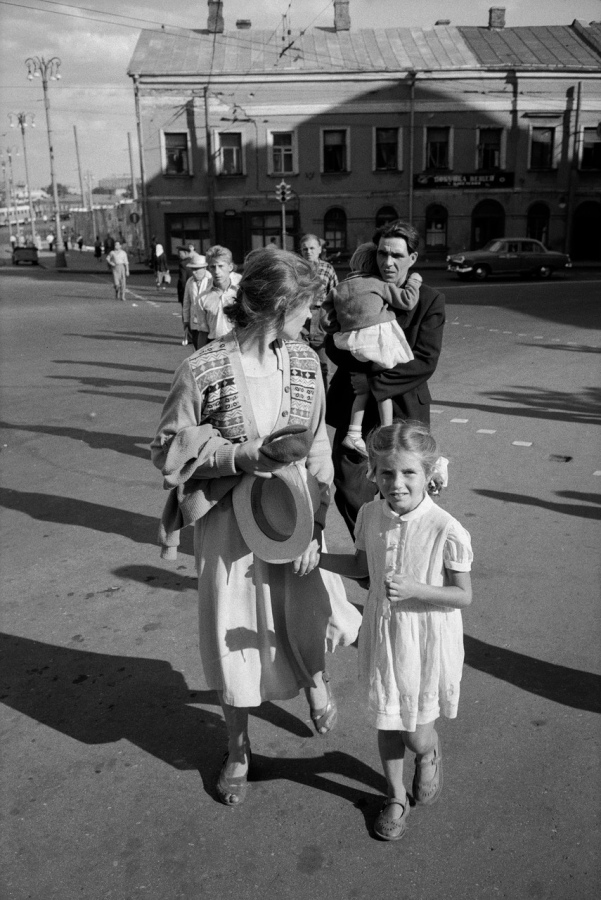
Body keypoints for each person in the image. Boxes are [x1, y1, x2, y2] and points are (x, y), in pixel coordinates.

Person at [151, 248, 360, 806]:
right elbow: (167, 448)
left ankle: (315, 682)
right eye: (306, 308)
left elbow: (318, 439)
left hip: (291, 514)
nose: (312, 320)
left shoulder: (302, 359)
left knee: (305, 610)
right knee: (233, 635)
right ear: (277, 306)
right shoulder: (201, 368)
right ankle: (238, 747)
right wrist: (240, 456)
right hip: (229, 527)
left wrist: (317, 516)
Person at [319, 420, 473, 841]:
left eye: (408, 473)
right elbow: (361, 569)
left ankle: (429, 752)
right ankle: (395, 796)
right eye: (386, 472)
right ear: (373, 473)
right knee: (387, 722)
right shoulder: (370, 514)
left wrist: (417, 588)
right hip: (384, 635)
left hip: (424, 641)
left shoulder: (446, 528)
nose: (397, 483)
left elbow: (463, 596)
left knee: (416, 733)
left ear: (428, 474)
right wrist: (316, 560)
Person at [326, 219, 445, 535]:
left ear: (412, 258)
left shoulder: (430, 300)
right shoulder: (361, 286)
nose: (387, 262)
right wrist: (363, 371)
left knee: (402, 490)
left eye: (396, 255)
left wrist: (374, 382)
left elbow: (424, 360)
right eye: (382, 254)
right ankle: (368, 552)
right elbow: (332, 340)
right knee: (349, 486)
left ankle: (400, 554)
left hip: (404, 410)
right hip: (357, 409)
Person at [321, 241, 422, 456]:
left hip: (349, 344)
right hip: (376, 340)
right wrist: (414, 281)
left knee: (362, 390)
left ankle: (354, 434)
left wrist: (345, 323)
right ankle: (386, 433)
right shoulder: (376, 283)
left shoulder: (339, 288)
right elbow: (407, 301)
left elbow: (326, 321)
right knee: (382, 390)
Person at [299, 233, 338, 387]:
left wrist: (331, 320)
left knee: (323, 366)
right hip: (301, 318)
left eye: (312, 248)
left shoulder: (327, 269)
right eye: (305, 249)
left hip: (320, 317)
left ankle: (325, 405)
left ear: (320, 249)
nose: (308, 251)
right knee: (302, 363)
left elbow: (335, 295)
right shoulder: (297, 269)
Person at [189, 244, 242, 349]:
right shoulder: (202, 298)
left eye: (221, 266)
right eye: (213, 267)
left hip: (239, 344)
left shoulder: (241, 293)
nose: (217, 271)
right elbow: (203, 331)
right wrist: (199, 357)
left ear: (230, 267)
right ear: (208, 268)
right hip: (215, 346)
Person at [182, 253, 212, 350]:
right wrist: (186, 320)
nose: (193, 272)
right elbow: (186, 302)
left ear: (204, 268)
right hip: (194, 322)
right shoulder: (190, 281)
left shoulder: (211, 280)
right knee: (197, 348)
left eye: (196, 269)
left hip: (209, 323)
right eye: (192, 269)